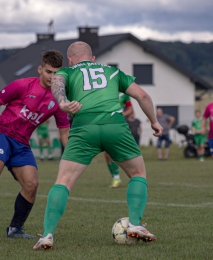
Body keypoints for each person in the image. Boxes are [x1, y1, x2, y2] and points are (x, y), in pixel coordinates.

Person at [33, 41, 163, 250]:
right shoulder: (112, 71)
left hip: (84, 127)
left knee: (63, 182)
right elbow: (143, 95)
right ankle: (136, 224)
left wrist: (63, 103)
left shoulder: (66, 71)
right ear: (93, 58)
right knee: (138, 174)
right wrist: (154, 122)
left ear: (71, 60)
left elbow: (56, 80)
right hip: (115, 126)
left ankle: (47, 235)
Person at [0, 50, 80, 239]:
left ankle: (15, 229)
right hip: (2, 134)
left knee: (32, 184)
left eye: (56, 73)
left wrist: (71, 156)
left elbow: (64, 132)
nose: (52, 77)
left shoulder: (60, 99)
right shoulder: (22, 85)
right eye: (48, 72)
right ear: (40, 69)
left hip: (21, 143)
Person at [104, 93, 133, 188]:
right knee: (107, 154)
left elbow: (130, 109)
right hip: (105, 124)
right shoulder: (105, 89)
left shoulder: (124, 94)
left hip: (117, 125)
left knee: (115, 152)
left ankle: (128, 176)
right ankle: (115, 178)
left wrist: (121, 114)